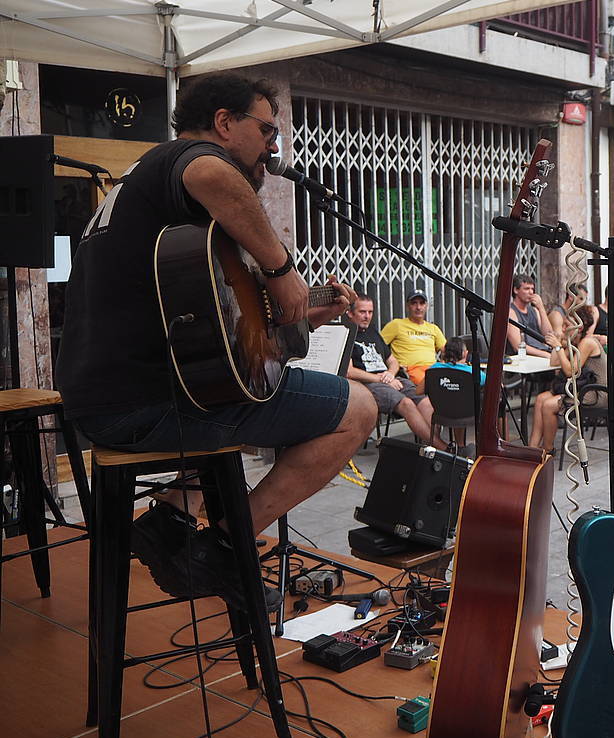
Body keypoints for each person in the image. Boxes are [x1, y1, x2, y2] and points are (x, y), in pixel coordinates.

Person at [55, 72, 375, 608]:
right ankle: (224, 546)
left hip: (119, 400)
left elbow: (224, 346)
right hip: (143, 406)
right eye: (267, 130)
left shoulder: (148, 191)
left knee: (251, 387)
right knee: (358, 409)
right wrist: (279, 268)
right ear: (224, 123)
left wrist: (304, 317)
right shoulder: (183, 161)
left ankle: (173, 517)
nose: (274, 146)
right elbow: (210, 172)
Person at [347, 297, 439, 444]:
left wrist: (390, 373)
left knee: (426, 401)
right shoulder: (347, 334)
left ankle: (433, 446)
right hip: (368, 384)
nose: (367, 316)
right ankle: (441, 448)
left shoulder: (373, 332)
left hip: (390, 378)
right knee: (406, 404)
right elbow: (349, 372)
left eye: (370, 312)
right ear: (350, 313)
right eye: (362, 312)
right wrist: (381, 379)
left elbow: (392, 361)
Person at [528, 327, 604, 454]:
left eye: (565, 325)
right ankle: (532, 449)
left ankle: (547, 450)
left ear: (578, 327)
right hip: (581, 388)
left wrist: (558, 347)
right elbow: (554, 363)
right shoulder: (574, 342)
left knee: (548, 406)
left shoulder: (587, 342)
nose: (562, 328)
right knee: (541, 399)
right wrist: (558, 344)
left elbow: (570, 371)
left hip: (595, 393)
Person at [380, 291, 446, 391]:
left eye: (421, 303)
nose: (418, 307)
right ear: (407, 306)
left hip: (433, 369)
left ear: (426, 306)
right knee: (434, 387)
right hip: (409, 371)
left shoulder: (433, 328)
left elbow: (448, 350)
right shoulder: (397, 324)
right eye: (414, 303)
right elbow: (377, 346)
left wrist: (443, 363)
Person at [508, 273, 552, 357]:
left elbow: (549, 335)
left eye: (532, 289)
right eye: (526, 289)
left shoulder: (534, 311)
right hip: (525, 357)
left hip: (542, 352)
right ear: (516, 290)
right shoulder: (511, 312)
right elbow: (517, 346)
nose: (531, 292)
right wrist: (546, 355)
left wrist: (541, 308)